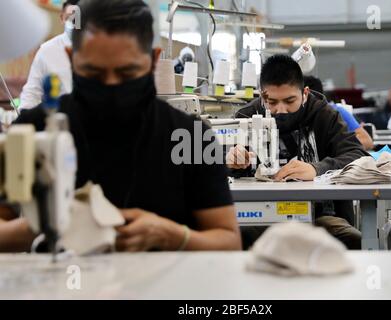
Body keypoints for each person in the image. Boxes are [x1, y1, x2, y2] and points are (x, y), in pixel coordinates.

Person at [5, 0, 241, 252]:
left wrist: (175, 236)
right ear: (71, 58)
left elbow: (228, 241)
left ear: (153, 60)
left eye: (127, 73)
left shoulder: (191, 137)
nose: (111, 86)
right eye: (94, 73)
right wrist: (42, 227)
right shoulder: (32, 130)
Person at [227, 55, 367, 250]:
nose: (281, 110)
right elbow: (215, 170)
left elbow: (358, 156)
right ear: (261, 96)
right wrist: (231, 163)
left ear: (305, 93)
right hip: (259, 215)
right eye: (272, 102)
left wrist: (318, 169)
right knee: (233, 240)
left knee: (352, 239)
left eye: (290, 100)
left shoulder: (324, 115)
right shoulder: (246, 118)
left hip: (319, 217)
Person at [19, 0, 79, 110]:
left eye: (78, 18)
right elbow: (32, 94)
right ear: (62, 18)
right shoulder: (47, 50)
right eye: (70, 17)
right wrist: (23, 120)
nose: (74, 23)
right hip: (58, 118)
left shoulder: (98, 48)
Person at [304, 76, 374, 150]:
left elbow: (367, 142)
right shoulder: (295, 116)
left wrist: (335, 146)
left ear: (306, 93)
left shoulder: (336, 111)